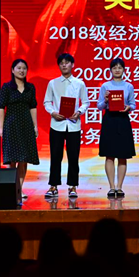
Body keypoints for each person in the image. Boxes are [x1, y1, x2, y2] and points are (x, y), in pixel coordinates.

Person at [43, 53, 90, 198]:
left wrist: (79, 112)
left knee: (73, 157)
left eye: (67, 62)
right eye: (61, 63)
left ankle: (73, 186)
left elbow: (86, 102)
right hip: (57, 125)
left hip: (74, 125)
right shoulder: (53, 83)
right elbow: (47, 102)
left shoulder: (79, 83)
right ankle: (53, 186)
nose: (64, 65)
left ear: (72, 65)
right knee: (55, 156)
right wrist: (53, 113)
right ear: (59, 66)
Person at [0, 59, 39, 199]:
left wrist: (35, 126)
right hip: (11, 126)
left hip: (26, 126)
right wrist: (1, 127)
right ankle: (12, 188)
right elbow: (0, 107)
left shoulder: (30, 87)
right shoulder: (7, 87)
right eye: (19, 68)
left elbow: (33, 107)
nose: (22, 70)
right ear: (12, 70)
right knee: (12, 159)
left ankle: (19, 189)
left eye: (24, 68)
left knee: (24, 159)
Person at [97, 58, 137, 198]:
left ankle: (119, 187)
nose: (117, 70)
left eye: (120, 67)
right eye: (115, 68)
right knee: (109, 155)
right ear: (110, 70)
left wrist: (128, 107)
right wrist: (106, 100)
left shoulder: (128, 86)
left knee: (122, 155)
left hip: (123, 120)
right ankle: (111, 187)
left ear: (124, 70)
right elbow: (99, 106)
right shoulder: (105, 86)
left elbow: (133, 104)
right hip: (109, 120)